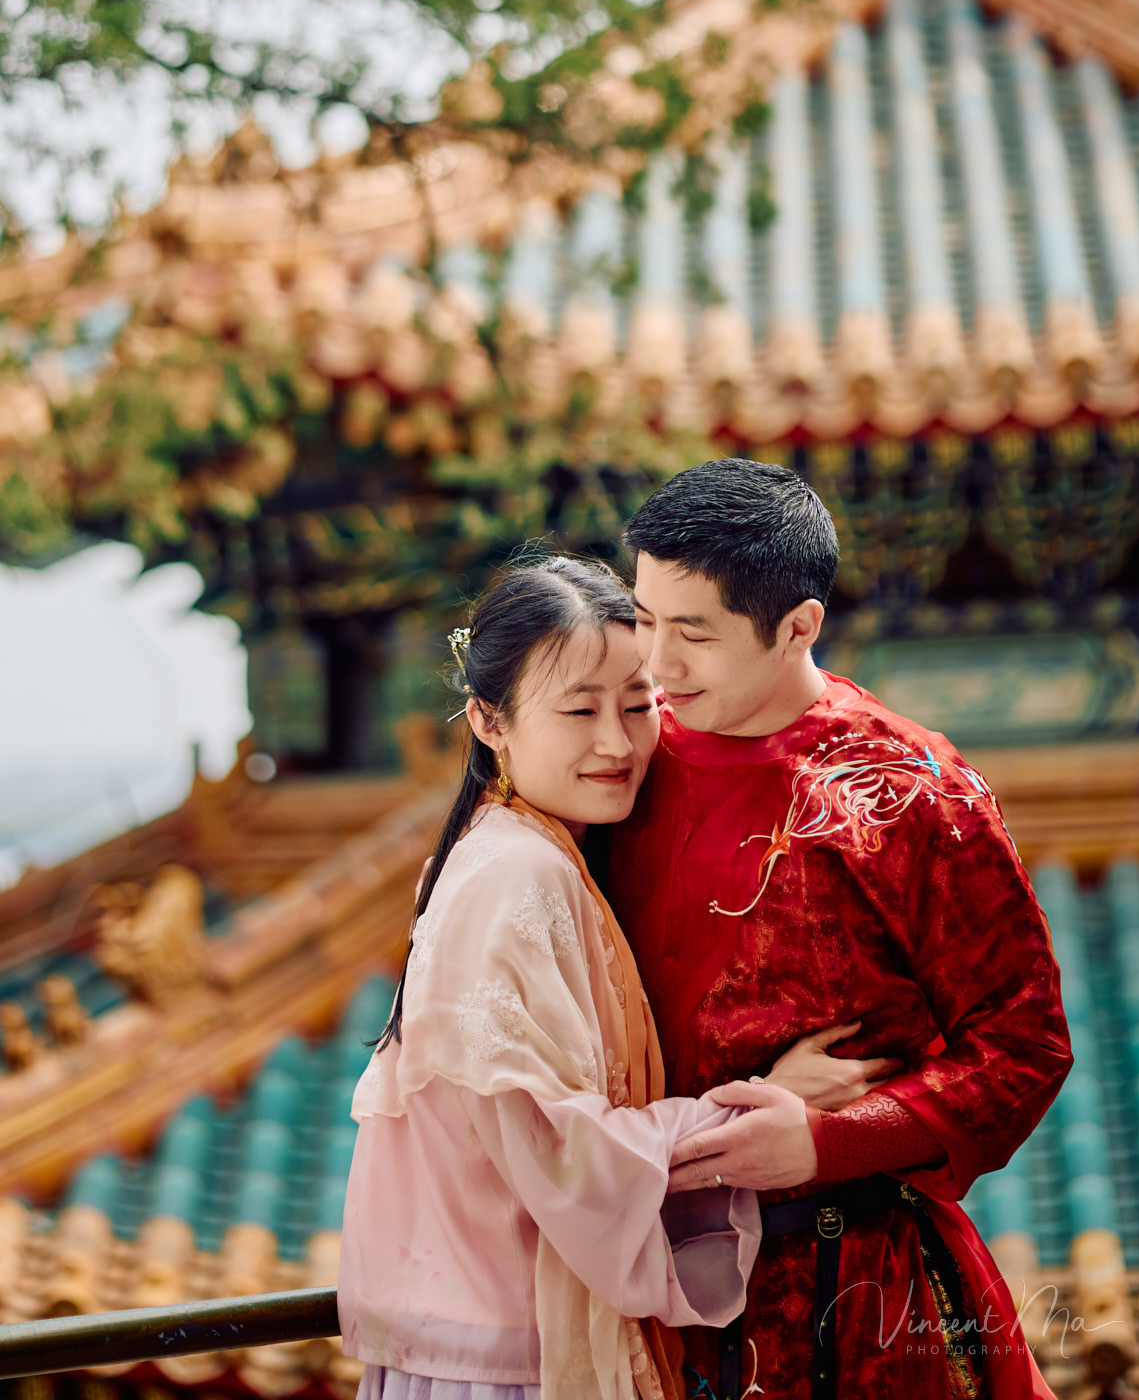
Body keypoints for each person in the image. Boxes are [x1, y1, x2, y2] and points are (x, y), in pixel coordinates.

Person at [339, 555, 891, 1400]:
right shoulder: (516, 874)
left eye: (638, 707)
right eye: (578, 710)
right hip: (505, 1365)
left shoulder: (525, 849)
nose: (616, 742)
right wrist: (753, 1107)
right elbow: (563, 1151)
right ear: (489, 720)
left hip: (472, 1339)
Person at [613, 457, 1072, 1400]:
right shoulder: (614, 758)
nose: (657, 665)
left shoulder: (911, 791)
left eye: (693, 634)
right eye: (645, 620)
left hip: (856, 1295)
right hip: (640, 1290)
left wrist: (830, 1143)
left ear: (797, 627)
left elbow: (1023, 1045)